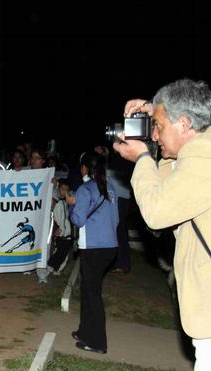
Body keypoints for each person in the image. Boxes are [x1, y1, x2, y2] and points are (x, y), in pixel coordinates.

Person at [113, 78, 211, 369]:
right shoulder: (195, 154)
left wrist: (143, 157)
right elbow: (169, 203)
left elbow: (157, 212)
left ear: (183, 123)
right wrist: (152, 108)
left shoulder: (205, 160)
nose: (153, 136)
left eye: (158, 125)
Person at [66, 152, 118, 354]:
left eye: (82, 166)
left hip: (94, 247)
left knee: (92, 294)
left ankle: (97, 342)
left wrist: (71, 206)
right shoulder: (110, 188)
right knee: (88, 289)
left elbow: (78, 220)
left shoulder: (85, 188)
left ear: (86, 168)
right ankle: (84, 331)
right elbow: (117, 220)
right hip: (109, 246)